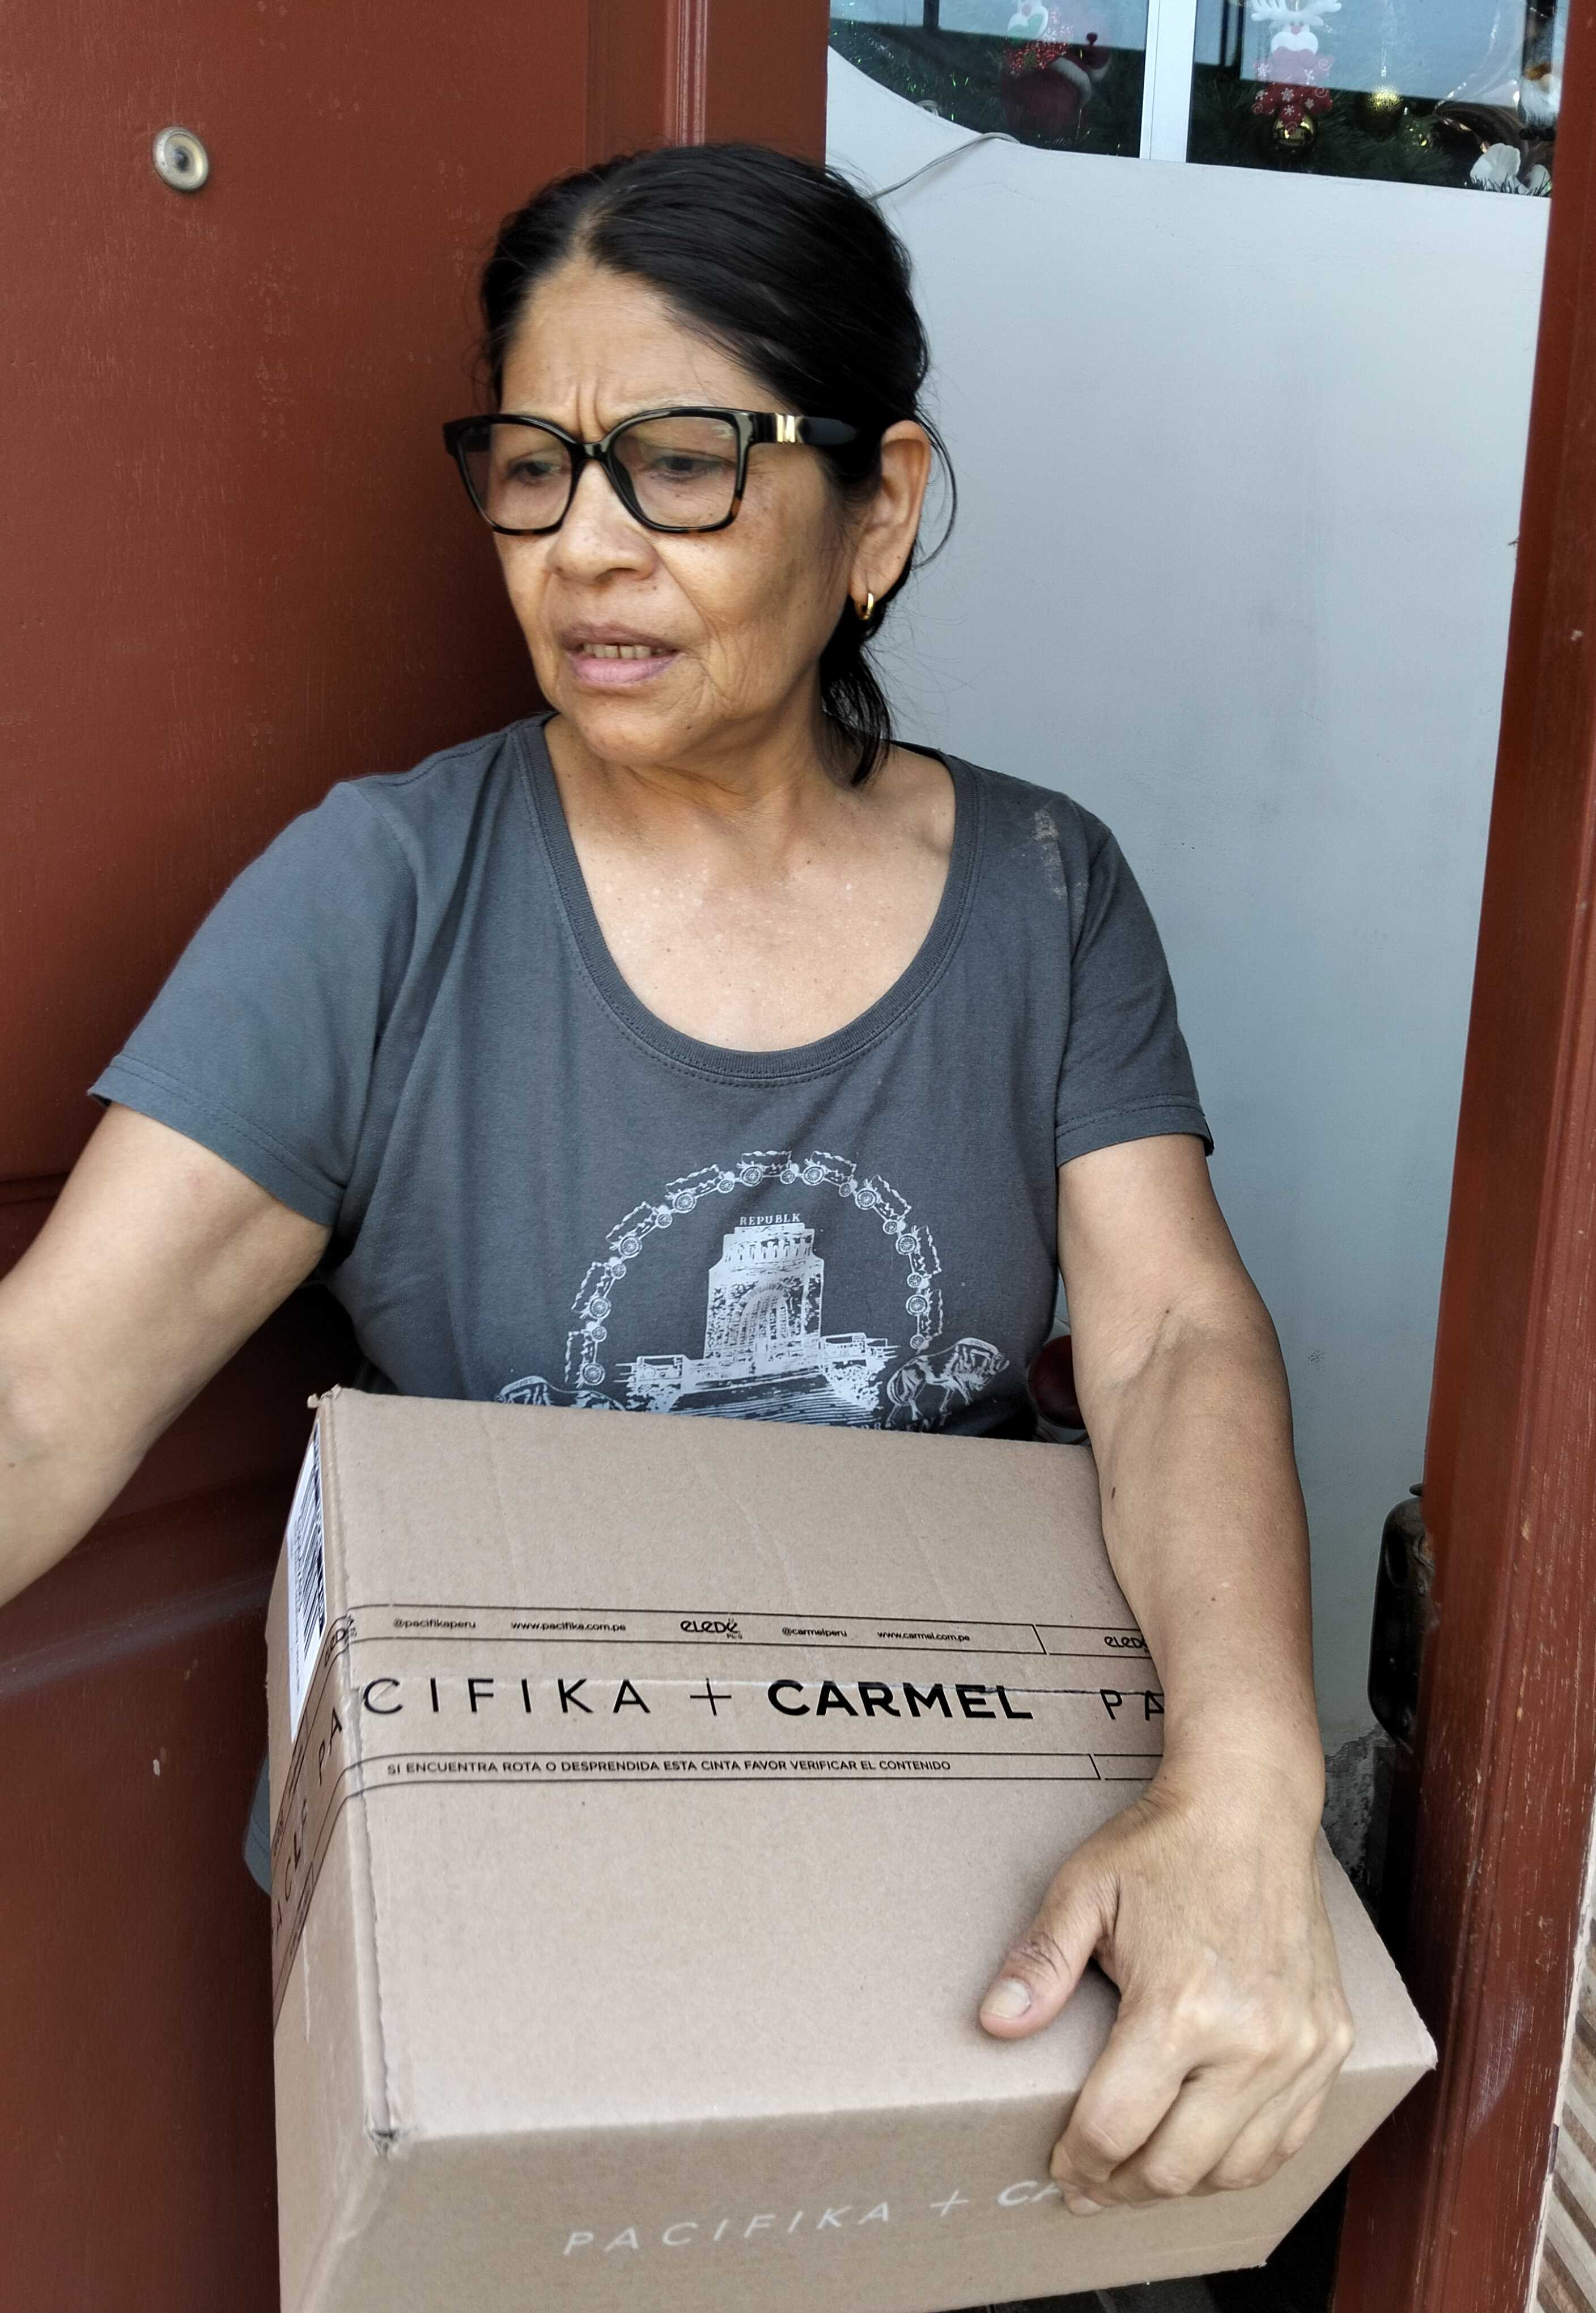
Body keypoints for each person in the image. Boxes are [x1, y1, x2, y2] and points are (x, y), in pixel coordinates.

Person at [0, 142, 1351, 2217]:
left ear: (878, 511)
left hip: (948, 1907)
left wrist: (1249, 1790)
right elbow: (40, 1395)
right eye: (534, 469)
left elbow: (1170, 1339)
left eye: (685, 465)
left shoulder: (1044, 894)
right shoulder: (381, 902)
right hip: (518, 1932)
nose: (585, 548)